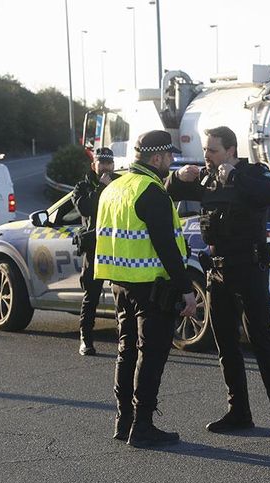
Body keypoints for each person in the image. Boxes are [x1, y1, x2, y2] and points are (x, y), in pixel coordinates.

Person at [167, 126, 270, 438]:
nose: (206, 156)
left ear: (231, 151)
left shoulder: (252, 173)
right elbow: (169, 191)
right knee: (226, 344)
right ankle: (239, 412)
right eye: (205, 150)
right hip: (217, 271)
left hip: (249, 268)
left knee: (261, 342)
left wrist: (233, 175)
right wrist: (179, 178)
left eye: (212, 150)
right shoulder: (205, 178)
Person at [94, 130, 197, 448]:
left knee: (126, 352)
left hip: (120, 284)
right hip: (153, 288)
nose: (171, 161)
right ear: (156, 158)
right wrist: (186, 289)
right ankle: (143, 427)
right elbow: (166, 246)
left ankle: (123, 421)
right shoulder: (151, 191)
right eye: (168, 157)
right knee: (150, 357)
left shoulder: (115, 187)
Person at [72, 147, 119, 356]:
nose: (106, 167)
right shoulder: (82, 186)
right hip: (95, 248)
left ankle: (125, 339)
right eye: (102, 163)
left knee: (122, 296)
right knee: (91, 295)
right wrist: (101, 187)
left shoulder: (119, 183)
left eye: (109, 163)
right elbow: (85, 208)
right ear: (94, 165)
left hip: (118, 247)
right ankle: (86, 338)